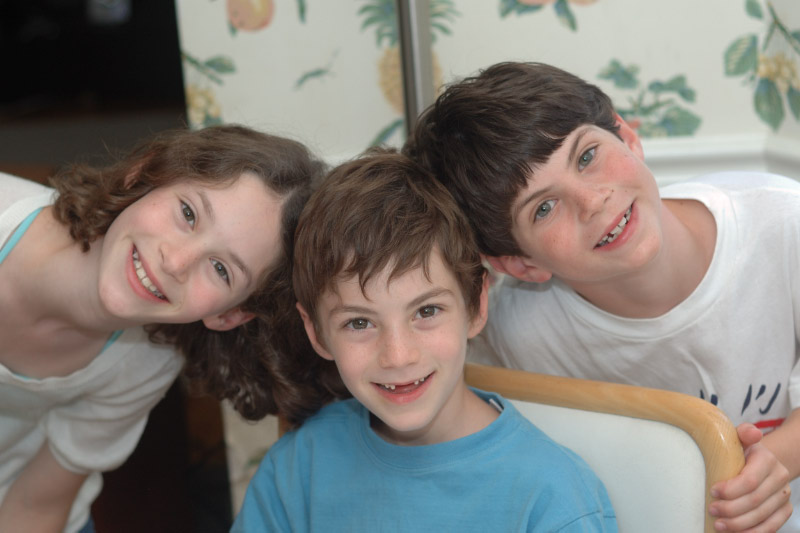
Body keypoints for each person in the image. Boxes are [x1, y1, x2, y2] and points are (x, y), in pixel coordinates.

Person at [404, 61, 799, 532]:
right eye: (544, 208)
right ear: (520, 264)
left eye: (587, 156)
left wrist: (769, 464)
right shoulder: (512, 330)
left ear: (627, 136)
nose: (593, 202)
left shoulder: (784, 224)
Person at [231, 149, 618, 532]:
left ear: (475, 305)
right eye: (359, 323)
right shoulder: (297, 469)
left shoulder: (552, 497)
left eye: (427, 311)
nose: (398, 356)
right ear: (316, 331)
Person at [0, 124, 344, 533]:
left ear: (230, 314)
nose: (175, 262)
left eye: (221, 269)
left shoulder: (146, 360)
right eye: (188, 214)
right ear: (143, 175)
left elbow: (35, 505)